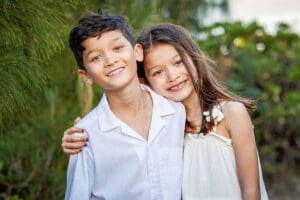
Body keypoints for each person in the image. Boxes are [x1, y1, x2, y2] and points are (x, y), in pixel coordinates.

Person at [62, 22, 269, 199]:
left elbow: (251, 192)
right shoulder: (170, 122)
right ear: (146, 81)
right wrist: (82, 132)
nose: (172, 76)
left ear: (194, 57)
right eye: (158, 72)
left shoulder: (231, 113)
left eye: (178, 62)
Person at [64, 11, 186, 200]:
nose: (110, 60)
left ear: (137, 52)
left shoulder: (176, 111)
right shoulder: (85, 137)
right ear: (85, 76)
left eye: (117, 48)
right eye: (96, 58)